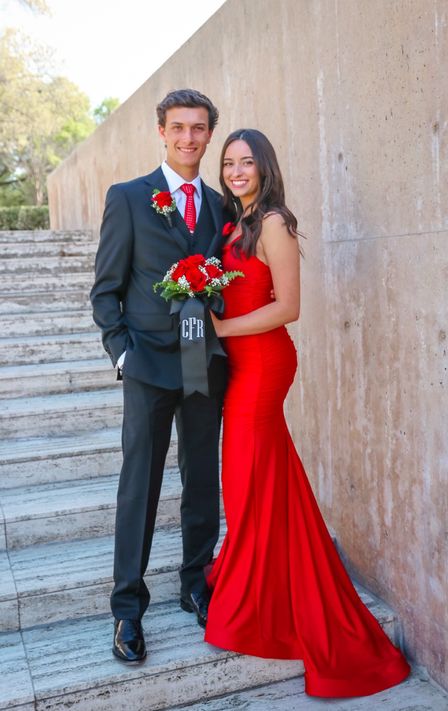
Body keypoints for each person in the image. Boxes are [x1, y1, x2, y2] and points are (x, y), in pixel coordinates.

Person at [205, 129, 411, 697]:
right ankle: (263, 582)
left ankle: (255, 605)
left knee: (248, 478)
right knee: (262, 481)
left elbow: (287, 308)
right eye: (229, 163)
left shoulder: (273, 223)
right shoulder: (231, 224)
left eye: (246, 162)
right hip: (238, 366)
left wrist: (221, 327)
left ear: (264, 167)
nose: (236, 171)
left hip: (265, 365)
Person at [90, 89, 227, 663]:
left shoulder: (222, 206)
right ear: (161, 132)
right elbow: (105, 292)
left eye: (199, 128)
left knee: (201, 480)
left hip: (203, 363)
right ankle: (127, 609)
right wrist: (122, 353)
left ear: (209, 134)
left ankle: (195, 584)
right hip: (147, 363)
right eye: (179, 128)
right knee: (139, 487)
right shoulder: (128, 197)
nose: (189, 138)